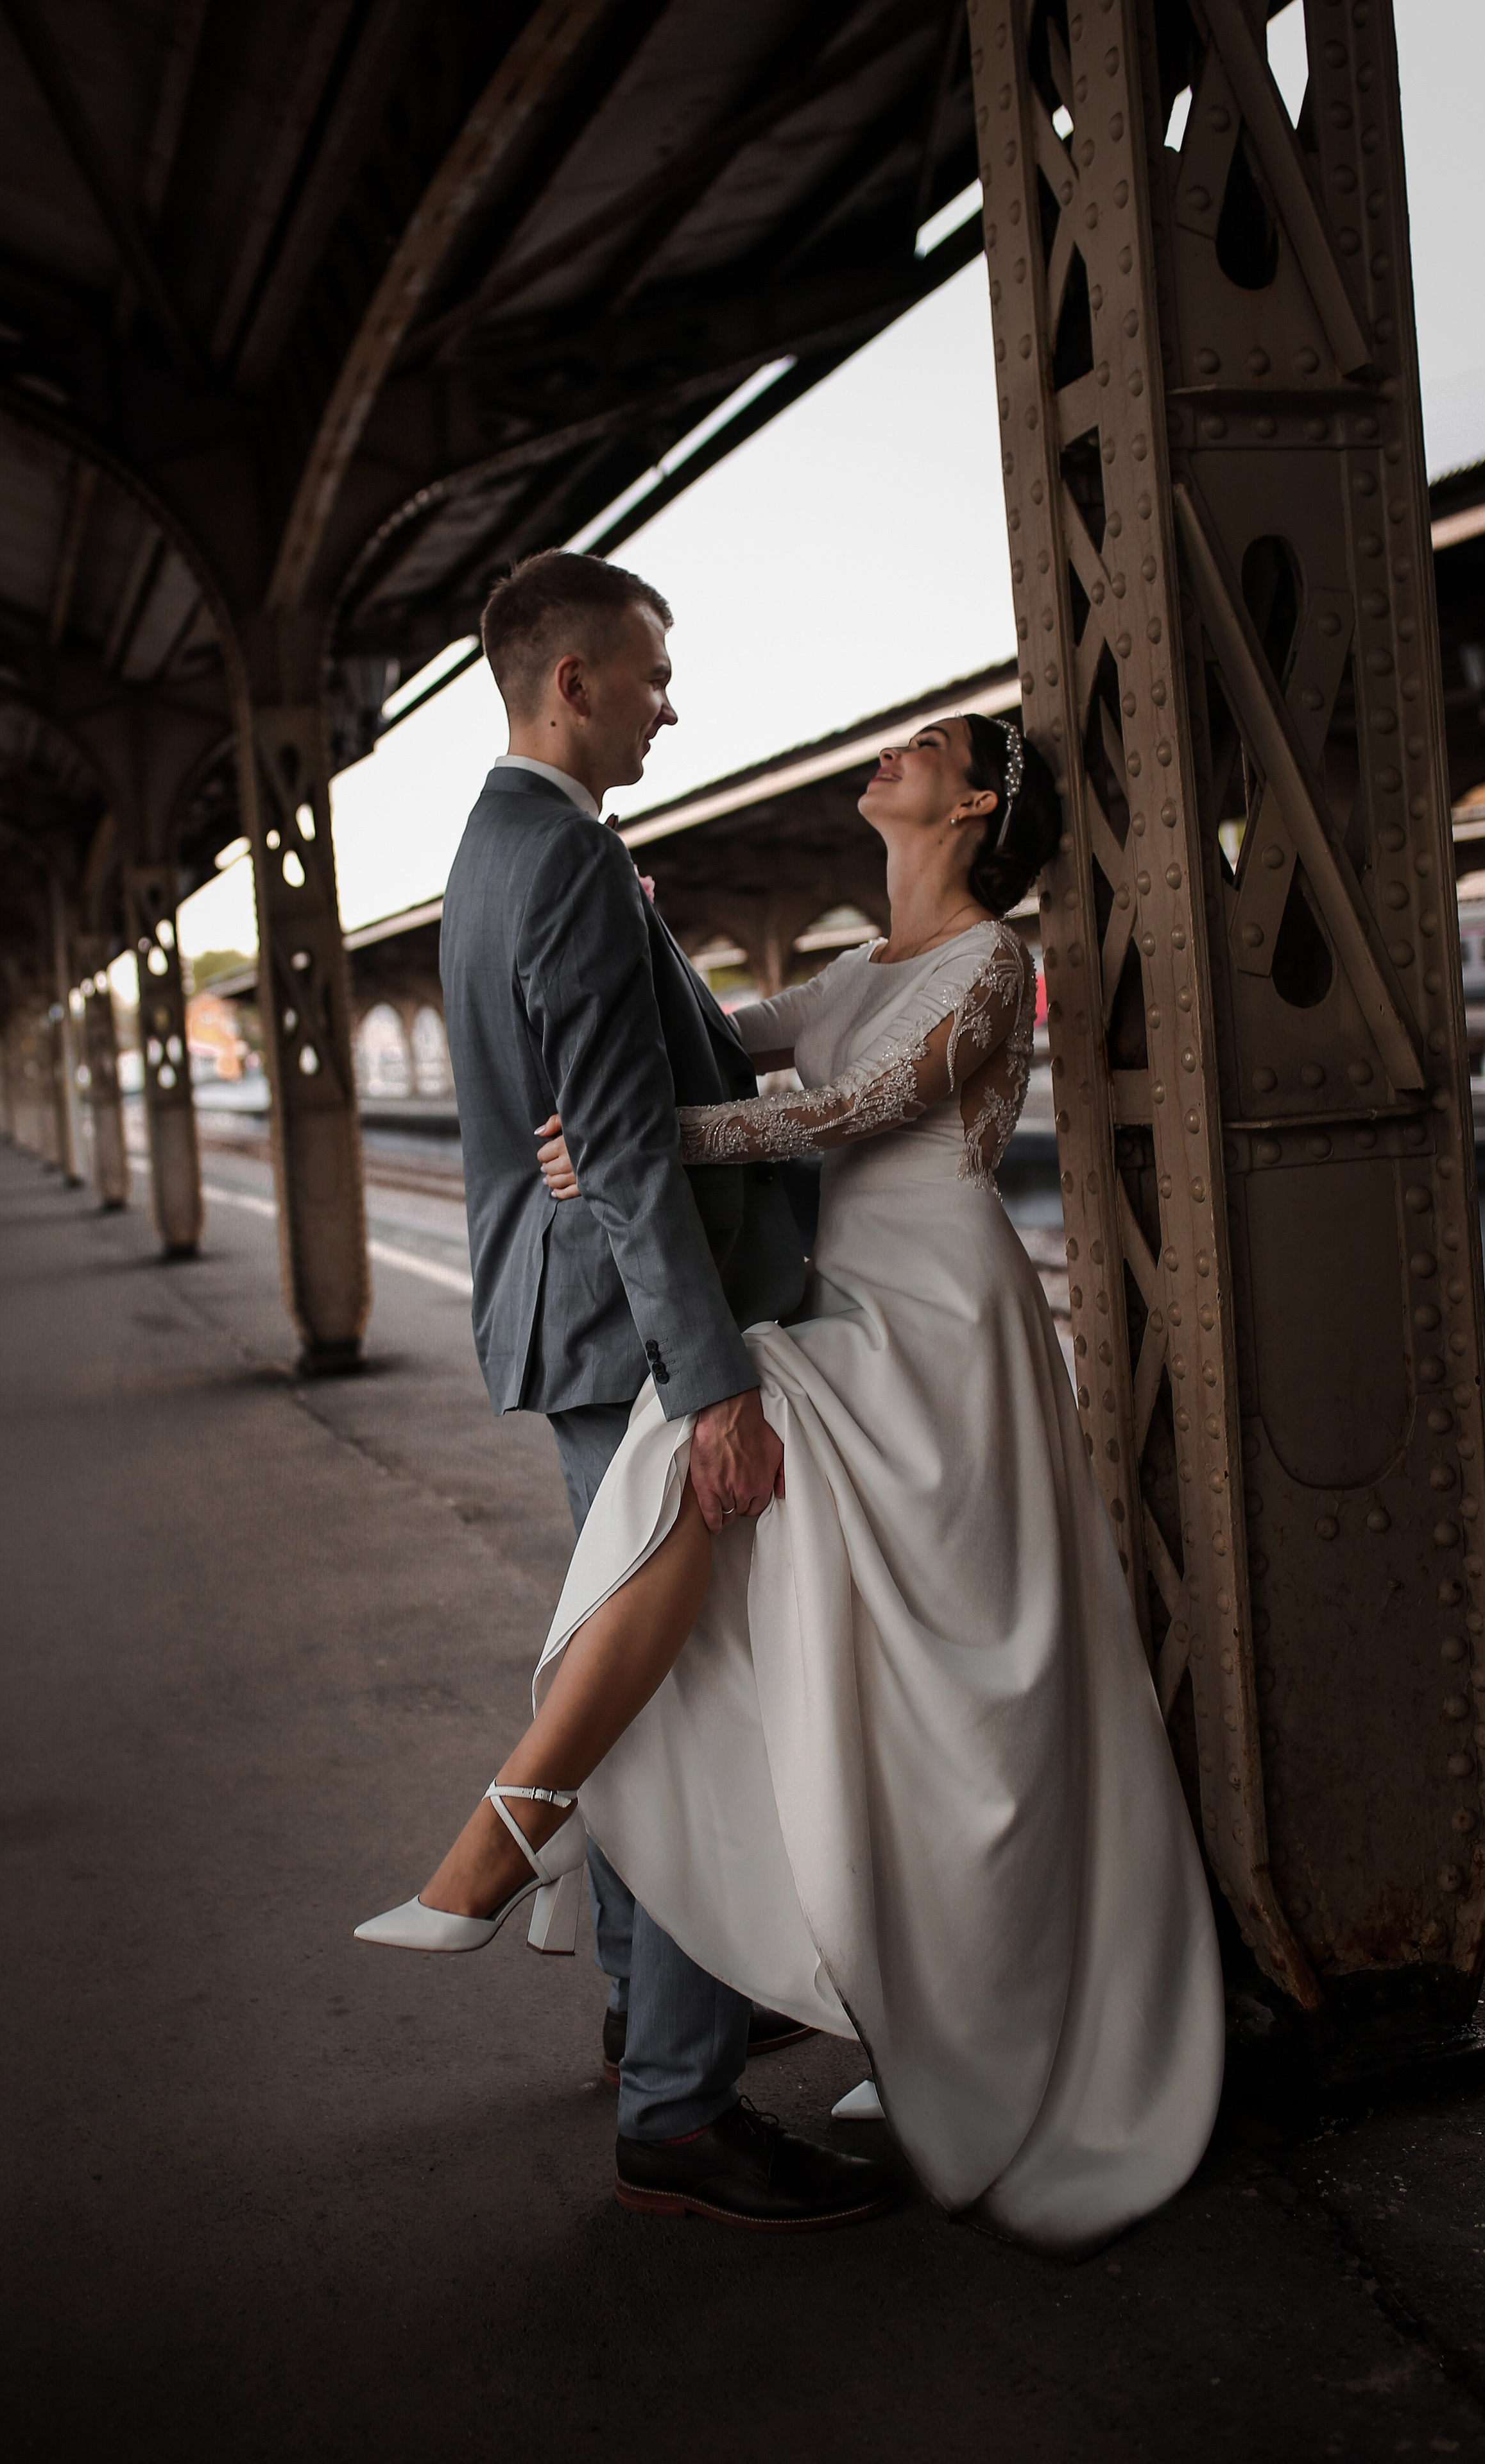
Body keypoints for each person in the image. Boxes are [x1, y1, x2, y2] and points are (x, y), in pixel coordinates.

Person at [361, 687, 1226, 2254]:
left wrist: (651, 1147)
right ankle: (582, 1859)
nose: (891, 754)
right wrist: (622, 1083)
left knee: (753, 1525)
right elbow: (718, 1040)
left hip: (938, 1340)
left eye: (928, 752)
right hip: (845, 1316)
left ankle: (528, 1831)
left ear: (967, 810)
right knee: (733, 1544)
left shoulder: (987, 964)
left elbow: (849, 1108)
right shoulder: (862, 963)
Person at [357, 549, 899, 2233]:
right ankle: (676, 2099)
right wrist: (714, 1379)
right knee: (668, 1697)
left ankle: (641, 2021)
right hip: (632, 1335)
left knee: (643, 1672)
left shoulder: (489, 847)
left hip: (571, 1319)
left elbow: (616, 1105)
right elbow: (623, 1156)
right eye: (653, 673)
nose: (675, 702)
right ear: (572, 680)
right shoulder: (574, 862)